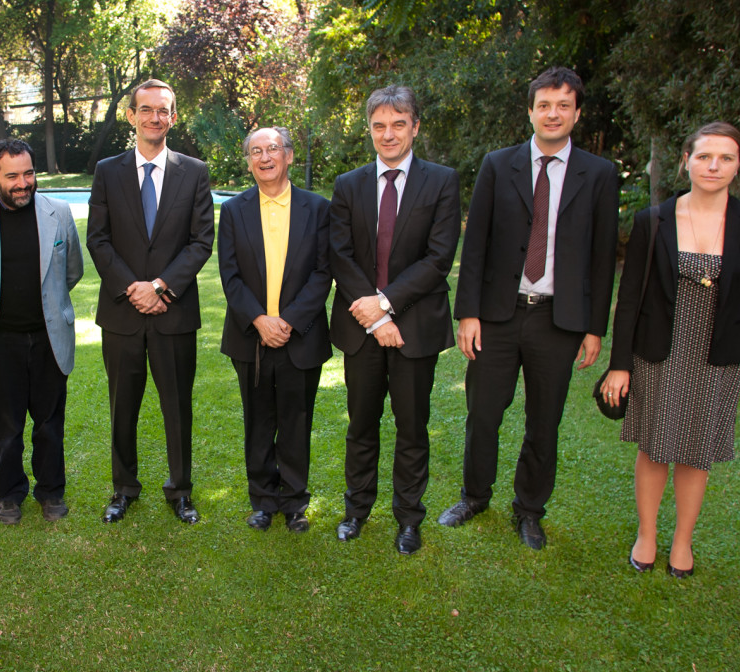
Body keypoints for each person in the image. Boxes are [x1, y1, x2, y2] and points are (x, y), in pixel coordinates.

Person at [442, 67, 619, 550]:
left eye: (563, 105)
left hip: (558, 320)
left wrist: (594, 328)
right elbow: (475, 243)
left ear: (577, 113)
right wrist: (468, 313)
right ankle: (474, 496)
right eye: (544, 105)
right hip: (497, 315)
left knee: (544, 421)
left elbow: (603, 257)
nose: (553, 113)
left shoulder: (599, 175)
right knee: (483, 413)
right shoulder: (499, 165)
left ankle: (529, 510)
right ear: (530, 111)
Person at [601, 122, 740, 577]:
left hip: (715, 356)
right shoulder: (654, 220)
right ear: (686, 161)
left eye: (726, 158)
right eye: (704, 156)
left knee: (696, 451)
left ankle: (682, 541)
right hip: (658, 351)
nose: (713, 166)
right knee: (654, 447)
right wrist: (619, 365)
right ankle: (647, 534)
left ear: (739, 165)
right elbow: (630, 298)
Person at [329, 85, 461, 555]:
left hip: (414, 327)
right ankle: (356, 511)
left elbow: (439, 258)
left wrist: (385, 304)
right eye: (379, 125)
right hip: (362, 328)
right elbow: (340, 255)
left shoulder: (441, 181)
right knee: (361, 425)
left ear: (415, 127)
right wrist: (374, 316)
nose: (388, 134)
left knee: (412, 428)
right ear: (369, 129)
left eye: (398, 124)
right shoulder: (348, 184)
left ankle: (408, 519)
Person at [87, 79, 214, 525]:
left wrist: (160, 286)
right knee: (122, 406)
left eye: (163, 110)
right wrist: (134, 288)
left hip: (173, 313)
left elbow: (201, 241)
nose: (154, 117)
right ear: (131, 115)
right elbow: (98, 239)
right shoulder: (108, 171)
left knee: (177, 408)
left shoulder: (194, 172)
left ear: (173, 117)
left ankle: (180, 490)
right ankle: (123, 488)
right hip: (122, 314)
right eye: (146, 109)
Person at [0, 139, 84, 525]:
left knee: (49, 424)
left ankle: (51, 492)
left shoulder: (59, 213)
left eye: (28, 173)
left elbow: (72, 270)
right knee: (6, 427)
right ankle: (8, 495)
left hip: (49, 339)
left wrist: (48, 306)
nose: (23, 183)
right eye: (12, 176)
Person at [218, 127, 332, 533]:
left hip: (300, 335)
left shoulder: (318, 208)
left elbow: (323, 272)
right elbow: (230, 275)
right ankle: (263, 501)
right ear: (249, 162)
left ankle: (295, 502)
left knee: (297, 420)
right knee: (259, 422)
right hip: (251, 338)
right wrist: (259, 319)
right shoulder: (234, 211)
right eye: (255, 151)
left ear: (288, 156)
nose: (264, 157)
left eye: (272, 149)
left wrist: (288, 320)